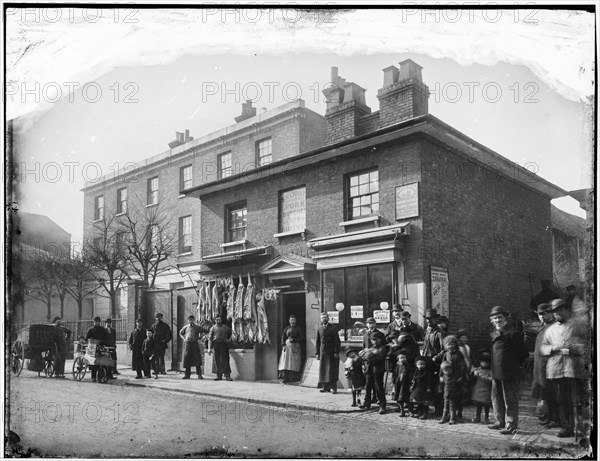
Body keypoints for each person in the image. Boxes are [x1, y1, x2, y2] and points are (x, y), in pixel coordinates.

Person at [540, 298, 588, 438]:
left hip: (574, 369)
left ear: (567, 310)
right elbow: (543, 348)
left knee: (577, 399)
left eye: (560, 310)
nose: (557, 313)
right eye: (555, 311)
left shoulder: (578, 326)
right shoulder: (550, 330)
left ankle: (581, 427)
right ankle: (567, 427)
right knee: (562, 400)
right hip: (556, 370)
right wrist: (553, 348)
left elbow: (588, 344)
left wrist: (573, 349)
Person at [488, 305, 530, 435]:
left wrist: (514, 366)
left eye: (499, 317)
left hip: (510, 373)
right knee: (496, 398)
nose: (497, 320)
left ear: (505, 318)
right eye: (494, 318)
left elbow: (523, 353)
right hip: (496, 372)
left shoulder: (513, 334)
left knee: (510, 399)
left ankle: (511, 424)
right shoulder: (493, 334)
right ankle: (499, 421)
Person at [532, 303, 559, 427]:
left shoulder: (554, 327)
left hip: (549, 366)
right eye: (540, 314)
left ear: (551, 313)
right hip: (540, 366)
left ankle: (556, 419)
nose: (542, 316)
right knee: (544, 393)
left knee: (552, 393)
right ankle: (549, 417)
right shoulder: (543, 328)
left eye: (545, 313)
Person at [439, 335, 468, 421]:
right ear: (445, 345)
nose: (450, 346)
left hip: (456, 378)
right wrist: (441, 376)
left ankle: (454, 416)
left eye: (452, 344)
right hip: (447, 378)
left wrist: (461, 376)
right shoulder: (445, 354)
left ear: (455, 344)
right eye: (448, 344)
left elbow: (462, 366)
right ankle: (445, 416)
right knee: (446, 397)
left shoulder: (459, 354)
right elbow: (442, 365)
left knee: (455, 398)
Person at [358, 330, 388, 414]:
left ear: (380, 339)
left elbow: (379, 359)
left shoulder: (383, 348)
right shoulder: (372, 348)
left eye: (376, 339)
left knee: (378, 387)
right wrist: (366, 355)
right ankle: (366, 402)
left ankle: (382, 405)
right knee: (368, 385)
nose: (374, 341)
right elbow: (362, 355)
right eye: (372, 340)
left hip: (378, 370)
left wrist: (368, 357)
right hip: (369, 369)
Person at [422, 309, 444, 415]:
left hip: (435, 362)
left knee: (436, 385)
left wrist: (437, 357)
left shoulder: (440, 332)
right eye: (427, 319)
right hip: (426, 360)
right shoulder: (427, 330)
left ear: (436, 319)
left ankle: (439, 410)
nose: (429, 321)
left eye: (431, 318)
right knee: (427, 385)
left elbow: (444, 348)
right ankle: (426, 409)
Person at [316, 312, 340, 393]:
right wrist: (317, 353)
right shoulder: (319, 329)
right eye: (322, 318)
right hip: (323, 351)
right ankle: (325, 387)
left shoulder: (333, 328)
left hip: (331, 352)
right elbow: (317, 342)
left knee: (332, 369)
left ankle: (333, 388)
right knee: (323, 369)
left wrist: (336, 352)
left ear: (328, 318)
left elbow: (337, 341)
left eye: (325, 317)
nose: (324, 319)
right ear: (321, 319)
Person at [278, 315, 303, 384]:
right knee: (286, 363)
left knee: (294, 363)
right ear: (289, 321)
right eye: (291, 320)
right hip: (287, 347)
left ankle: (294, 378)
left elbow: (301, 338)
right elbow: (283, 337)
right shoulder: (286, 328)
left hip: (295, 347)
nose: (293, 322)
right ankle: (286, 378)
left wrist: (294, 339)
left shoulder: (298, 329)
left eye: (294, 320)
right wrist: (283, 345)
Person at [208, 315, 232, 381]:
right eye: (217, 320)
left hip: (224, 344)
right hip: (216, 345)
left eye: (219, 319)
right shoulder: (212, 328)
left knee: (225, 359)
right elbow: (210, 338)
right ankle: (219, 376)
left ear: (221, 320)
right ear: (215, 320)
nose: (218, 321)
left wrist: (229, 340)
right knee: (216, 360)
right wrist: (209, 348)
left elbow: (232, 332)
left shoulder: (225, 327)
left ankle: (227, 376)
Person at [471, 350, 493, 424]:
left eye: (486, 362)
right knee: (478, 405)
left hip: (486, 390)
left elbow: (491, 379)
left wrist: (483, 377)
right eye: (482, 362)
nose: (484, 363)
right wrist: (473, 373)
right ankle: (477, 417)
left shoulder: (490, 371)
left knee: (486, 405)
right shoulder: (478, 369)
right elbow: (472, 377)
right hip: (478, 389)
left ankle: (486, 417)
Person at [179, 315, 204, 380]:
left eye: (192, 320)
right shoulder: (185, 327)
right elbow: (180, 333)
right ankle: (187, 375)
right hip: (188, 344)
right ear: (188, 320)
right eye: (190, 320)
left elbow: (204, 331)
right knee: (187, 360)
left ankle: (199, 375)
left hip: (195, 344)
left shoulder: (197, 327)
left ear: (194, 320)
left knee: (197, 360)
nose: (191, 321)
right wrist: (184, 338)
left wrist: (199, 337)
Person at [85, 316, 108, 382]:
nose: (97, 323)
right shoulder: (90, 329)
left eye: (98, 322)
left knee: (102, 361)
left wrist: (103, 344)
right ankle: (93, 377)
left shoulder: (102, 330)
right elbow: (87, 338)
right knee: (93, 362)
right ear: (94, 322)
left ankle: (102, 375)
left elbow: (105, 338)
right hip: (92, 347)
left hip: (100, 346)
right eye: (96, 321)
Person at [392, 349, 414, 417]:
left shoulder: (409, 366)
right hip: (398, 384)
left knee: (407, 398)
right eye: (401, 358)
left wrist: (411, 384)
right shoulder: (397, 367)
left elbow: (411, 375)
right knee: (399, 398)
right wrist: (393, 384)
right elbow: (394, 376)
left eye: (404, 357)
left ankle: (411, 410)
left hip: (406, 384)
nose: (403, 359)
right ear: (398, 359)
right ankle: (402, 410)